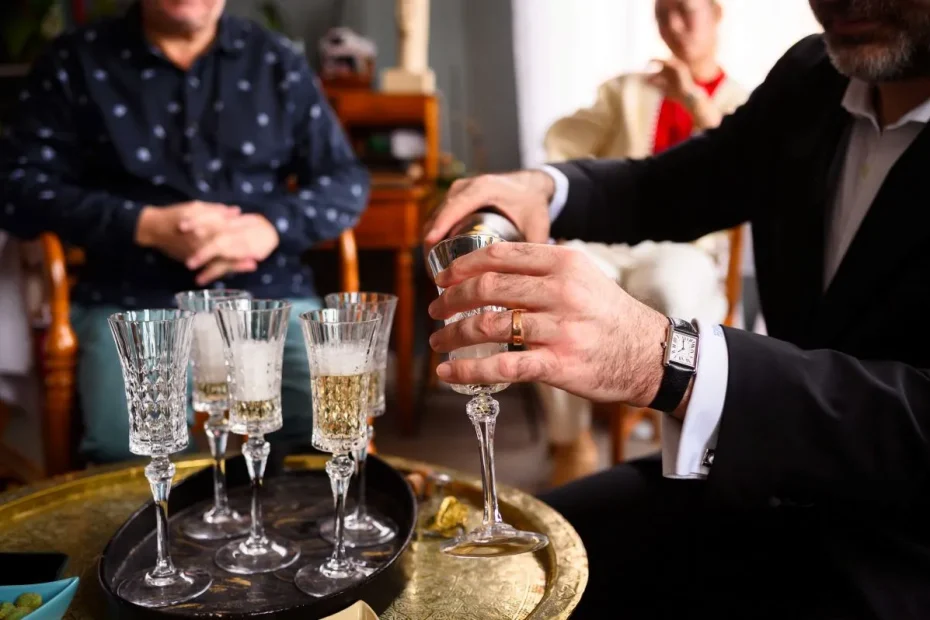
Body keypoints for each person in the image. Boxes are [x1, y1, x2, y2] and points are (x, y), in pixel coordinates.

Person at [424, 0, 930, 617]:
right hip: (771, 488)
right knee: (496, 585)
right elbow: (678, 182)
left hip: (902, 553)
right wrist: (545, 190)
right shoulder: (814, 73)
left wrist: (666, 360)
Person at [0, 0, 368, 464]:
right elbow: (16, 187)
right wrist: (143, 225)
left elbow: (345, 181)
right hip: (132, 296)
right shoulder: (76, 59)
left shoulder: (275, 59)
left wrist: (269, 228)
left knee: (326, 435)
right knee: (128, 450)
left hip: (267, 292)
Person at [541, 0, 748, 484]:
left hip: (687, 247)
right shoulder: (625, 90)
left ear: (716, 13)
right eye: (662, 13)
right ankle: (570, 439)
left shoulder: (747, 102)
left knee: (675, 297)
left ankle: (677, 444)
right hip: (613, 240)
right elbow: (561, 145)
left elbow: (743, 169)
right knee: (554, 282)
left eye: (686, 11)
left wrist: (694, 99)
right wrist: (563, 195)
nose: (674, 25)